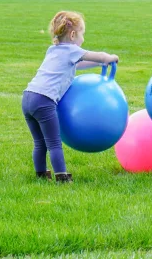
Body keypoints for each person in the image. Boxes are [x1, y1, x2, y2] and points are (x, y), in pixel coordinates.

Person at [22, 11, 119, 183]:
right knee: (54, 143)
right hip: (44, 100)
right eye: (82, 34)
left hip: (28, 97)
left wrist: (99, 64)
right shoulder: (72, 50)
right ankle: (61, 177)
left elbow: (79, 64)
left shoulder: (54, 50)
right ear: (73, 34)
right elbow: (96, 55)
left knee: (40, 142)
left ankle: (41, 174)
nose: (83, 39)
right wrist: (108, 58)